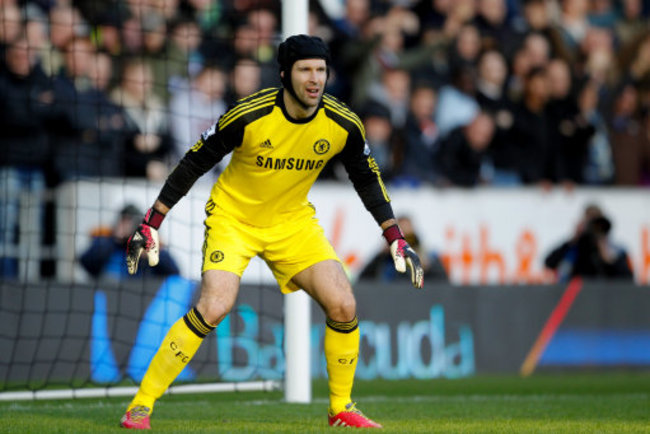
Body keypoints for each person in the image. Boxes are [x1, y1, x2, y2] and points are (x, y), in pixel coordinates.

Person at [118, 35, 424, 430]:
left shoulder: (343, 123)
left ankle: (341, 408)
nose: (315, 79)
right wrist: (152, 221)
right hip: (234, 219)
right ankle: (141, 405)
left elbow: (367, 179)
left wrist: (395, 236)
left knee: (343, 305)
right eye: (305, 70)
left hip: (292, 222)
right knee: (214, 307)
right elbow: (193, 163)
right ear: (284, 74)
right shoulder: (249, 114)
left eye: (321, 70)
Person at [79, 204, 179, 280]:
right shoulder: (106, 243)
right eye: (124, 221)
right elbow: (85, 261)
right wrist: (116, 239)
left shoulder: (146, 249)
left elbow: (175, 273)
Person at [544, 204, 634, 281]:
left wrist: (608, 258)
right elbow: (549, 263)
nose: (594, 229)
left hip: (606, 295)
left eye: (597, 225)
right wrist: (574, 239)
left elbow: (628, 279)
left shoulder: (617, 250)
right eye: (590, 223)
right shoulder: (575, 248)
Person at [359, 216, 447, 282]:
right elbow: (363, 280)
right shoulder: (386, 260)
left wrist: (428, 268)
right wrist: (382, 255)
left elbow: (444, 282)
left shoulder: (429, 256)